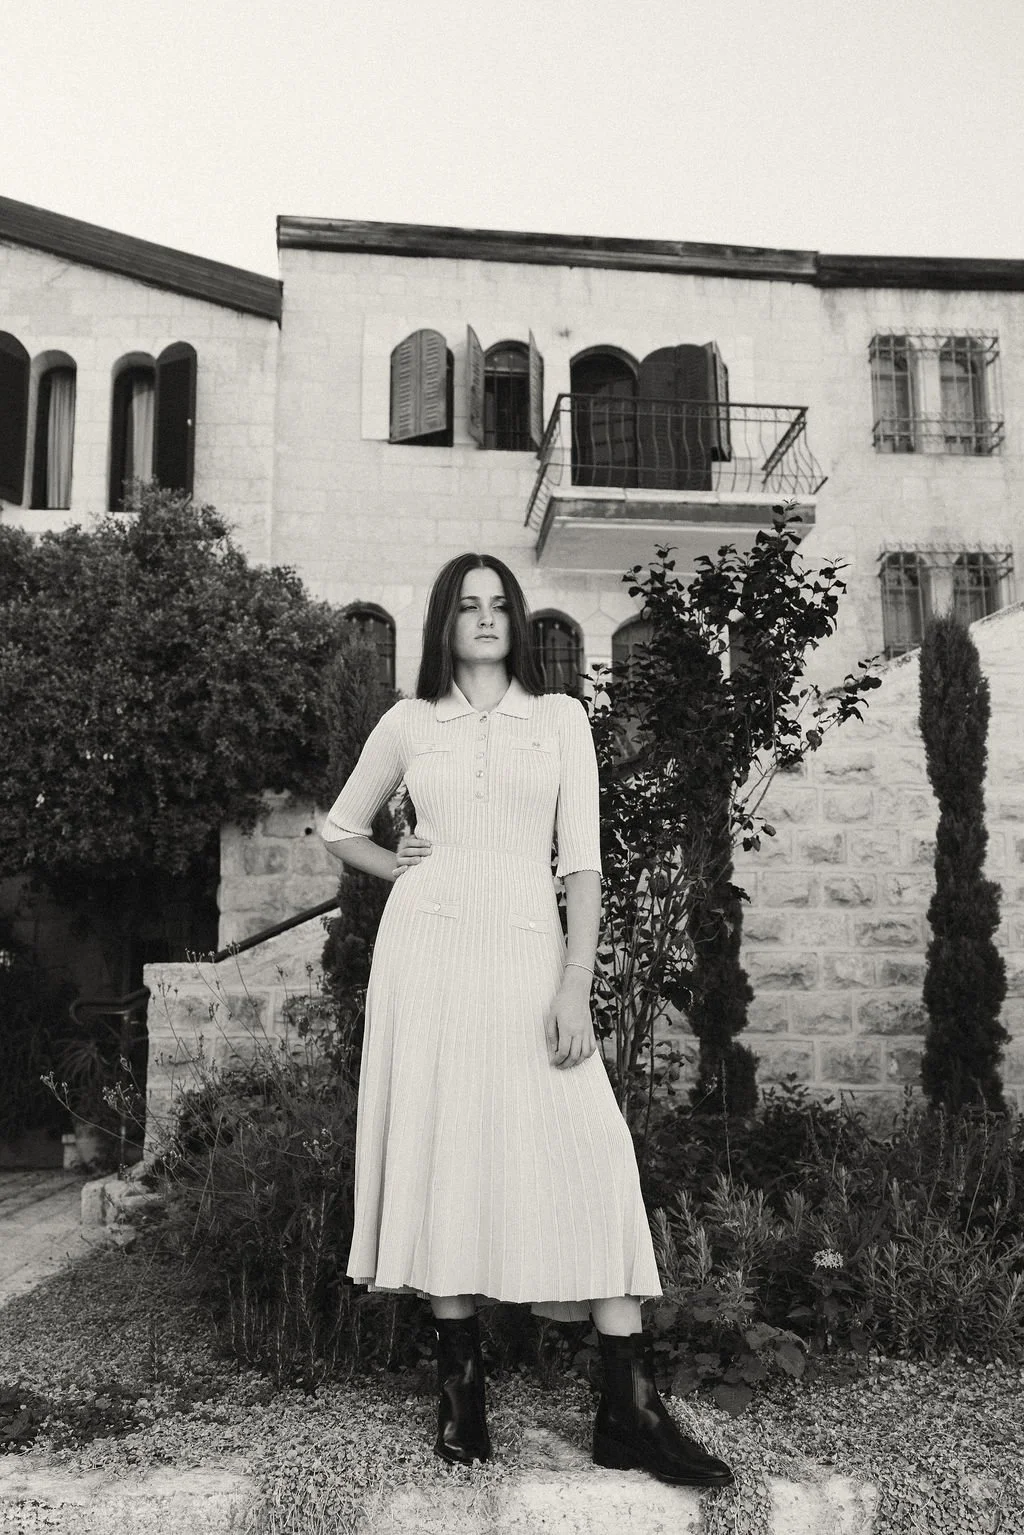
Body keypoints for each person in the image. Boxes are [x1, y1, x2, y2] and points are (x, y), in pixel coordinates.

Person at [321, 552, 732, 1489]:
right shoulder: (409, 721)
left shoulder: (559, 719)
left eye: (498, 604)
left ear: (516, 620)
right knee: (446, 1147)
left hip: (528, 960)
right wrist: (398, 863)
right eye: (467, 605)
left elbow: (581, 863)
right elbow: (340, 826)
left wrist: (574, 985)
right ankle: (461, 1397)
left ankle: (628, 1410)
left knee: (593, 1149)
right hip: (427, 958)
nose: (484, 617)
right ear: (444, 621)